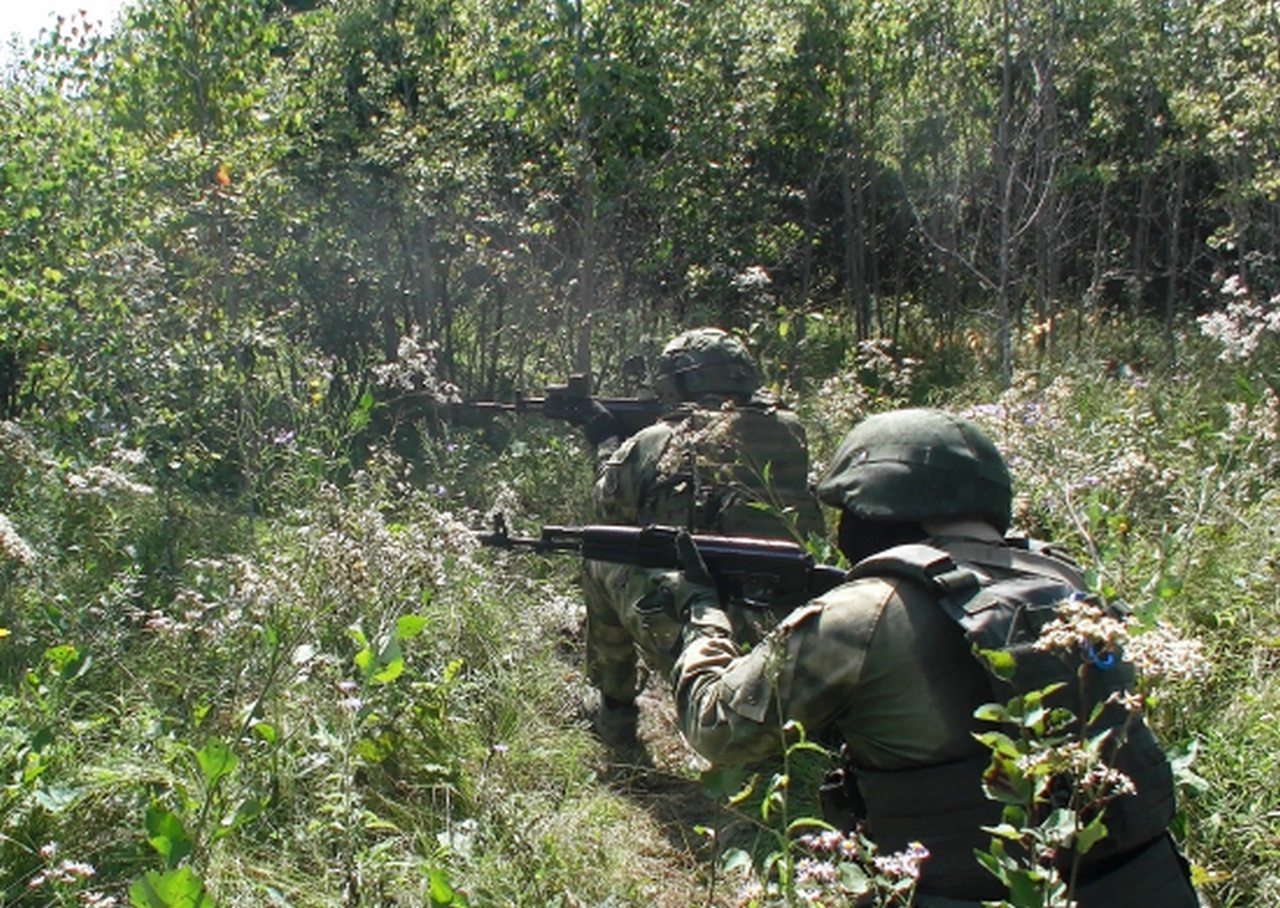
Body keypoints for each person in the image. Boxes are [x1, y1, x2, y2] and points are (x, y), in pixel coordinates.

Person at [664, 407, 1198, 906]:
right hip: (1146, 884)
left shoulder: (865, 611)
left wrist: (700, 607)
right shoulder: (1062, 580)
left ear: (877, 504)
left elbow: (716, 729)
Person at [573, 327, 825, 746]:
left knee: (600, 551)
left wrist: (606, 440)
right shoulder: (789, 431)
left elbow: (609, 507)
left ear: (678, 381)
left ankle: (616, 715)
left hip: (699, 631)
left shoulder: (659, 440)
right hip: (786, 631)